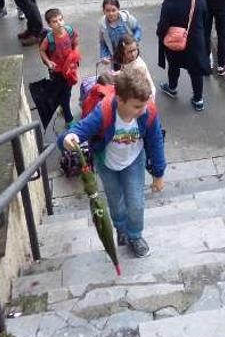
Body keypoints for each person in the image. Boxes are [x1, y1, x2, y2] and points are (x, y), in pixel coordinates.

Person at [60, 68, 166, 258]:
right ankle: (121, 228)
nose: (142, 110)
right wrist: (70, 138)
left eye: (144, 104)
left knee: (136, 203)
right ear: (119, 99)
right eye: (136, 106)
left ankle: (135, 236)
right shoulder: (104, 111)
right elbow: (78, 130)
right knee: (115, 202)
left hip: (133, 161)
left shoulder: (147, 112)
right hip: (107, 164)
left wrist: (158, 173)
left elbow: (155, 141)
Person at [157, 0, 209, 111]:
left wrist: (160, 33)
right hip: (195, 42)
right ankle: (198, 99)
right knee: (195, 71)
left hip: (175, 43)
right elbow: (205, 17)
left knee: (173, 66)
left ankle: (172, 88)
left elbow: (163, 26)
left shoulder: (169, 2)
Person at [40, 8, 80, 124]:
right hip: (57, 71)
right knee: (65, 93)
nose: (59, 23)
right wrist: (48, 62)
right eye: (55, 21)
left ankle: (63, 106)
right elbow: (42, 50)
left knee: (67, 89)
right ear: (49, 24)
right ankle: (69, 119)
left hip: (70, 69)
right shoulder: (49, 39)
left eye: (61, 19)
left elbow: (76, 41)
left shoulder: (69, 31)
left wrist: (75, 53)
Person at [100, 0, 143, 70]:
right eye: (107, 11)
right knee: (119, 78)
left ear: (118, 9)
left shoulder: (127, 18)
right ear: (103, 11)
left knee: (134, 76)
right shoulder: (103, 25)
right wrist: (104, 56)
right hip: (117, 58)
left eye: (113, 10)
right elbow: (103, 43)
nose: (111, 13)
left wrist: (133, 42)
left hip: (131, 55)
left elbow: (138, 29)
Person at [115, 34, 157, 98]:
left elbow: (138, 88)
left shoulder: (138, 67)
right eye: (129, 51)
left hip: (145, 95)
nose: (133, 54)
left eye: (134, 50)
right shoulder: (124, 58)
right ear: (122, 51)